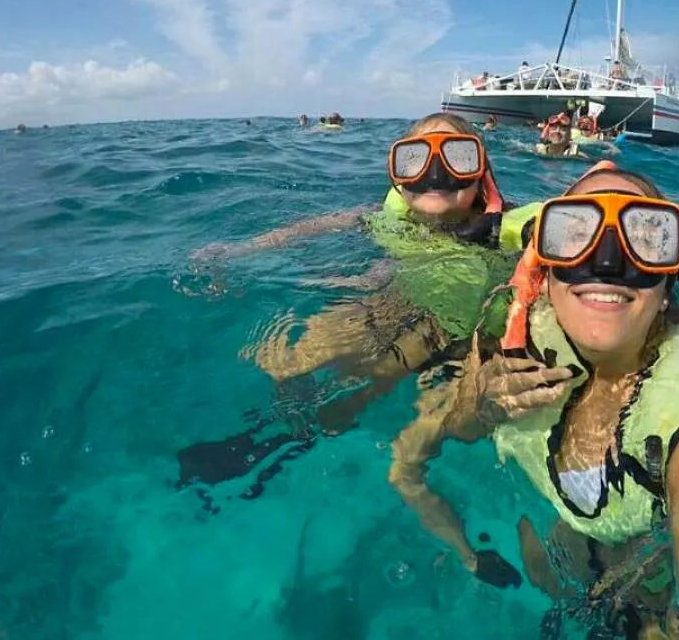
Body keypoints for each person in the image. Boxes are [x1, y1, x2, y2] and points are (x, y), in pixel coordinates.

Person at [388, 162, 679, 639]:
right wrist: (481, 405)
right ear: (543, 274)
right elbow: (432, 440)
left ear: (667, 285)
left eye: (646, 237)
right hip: (542, 566)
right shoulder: (505, 346)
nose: (606, 263)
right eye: (574, 232)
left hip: (641, 588)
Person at [180, 114, 542, 494]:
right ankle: (285, 429)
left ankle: (304, 435)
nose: (436, 173)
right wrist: (236, 251)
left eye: (458, 157)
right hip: (399, 304)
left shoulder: (516, 232)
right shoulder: (381, 217)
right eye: (415, 160)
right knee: (293, 360)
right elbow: (310, 228)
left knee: (412, 440)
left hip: (474, 341)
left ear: (482, 174)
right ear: (398, 180)